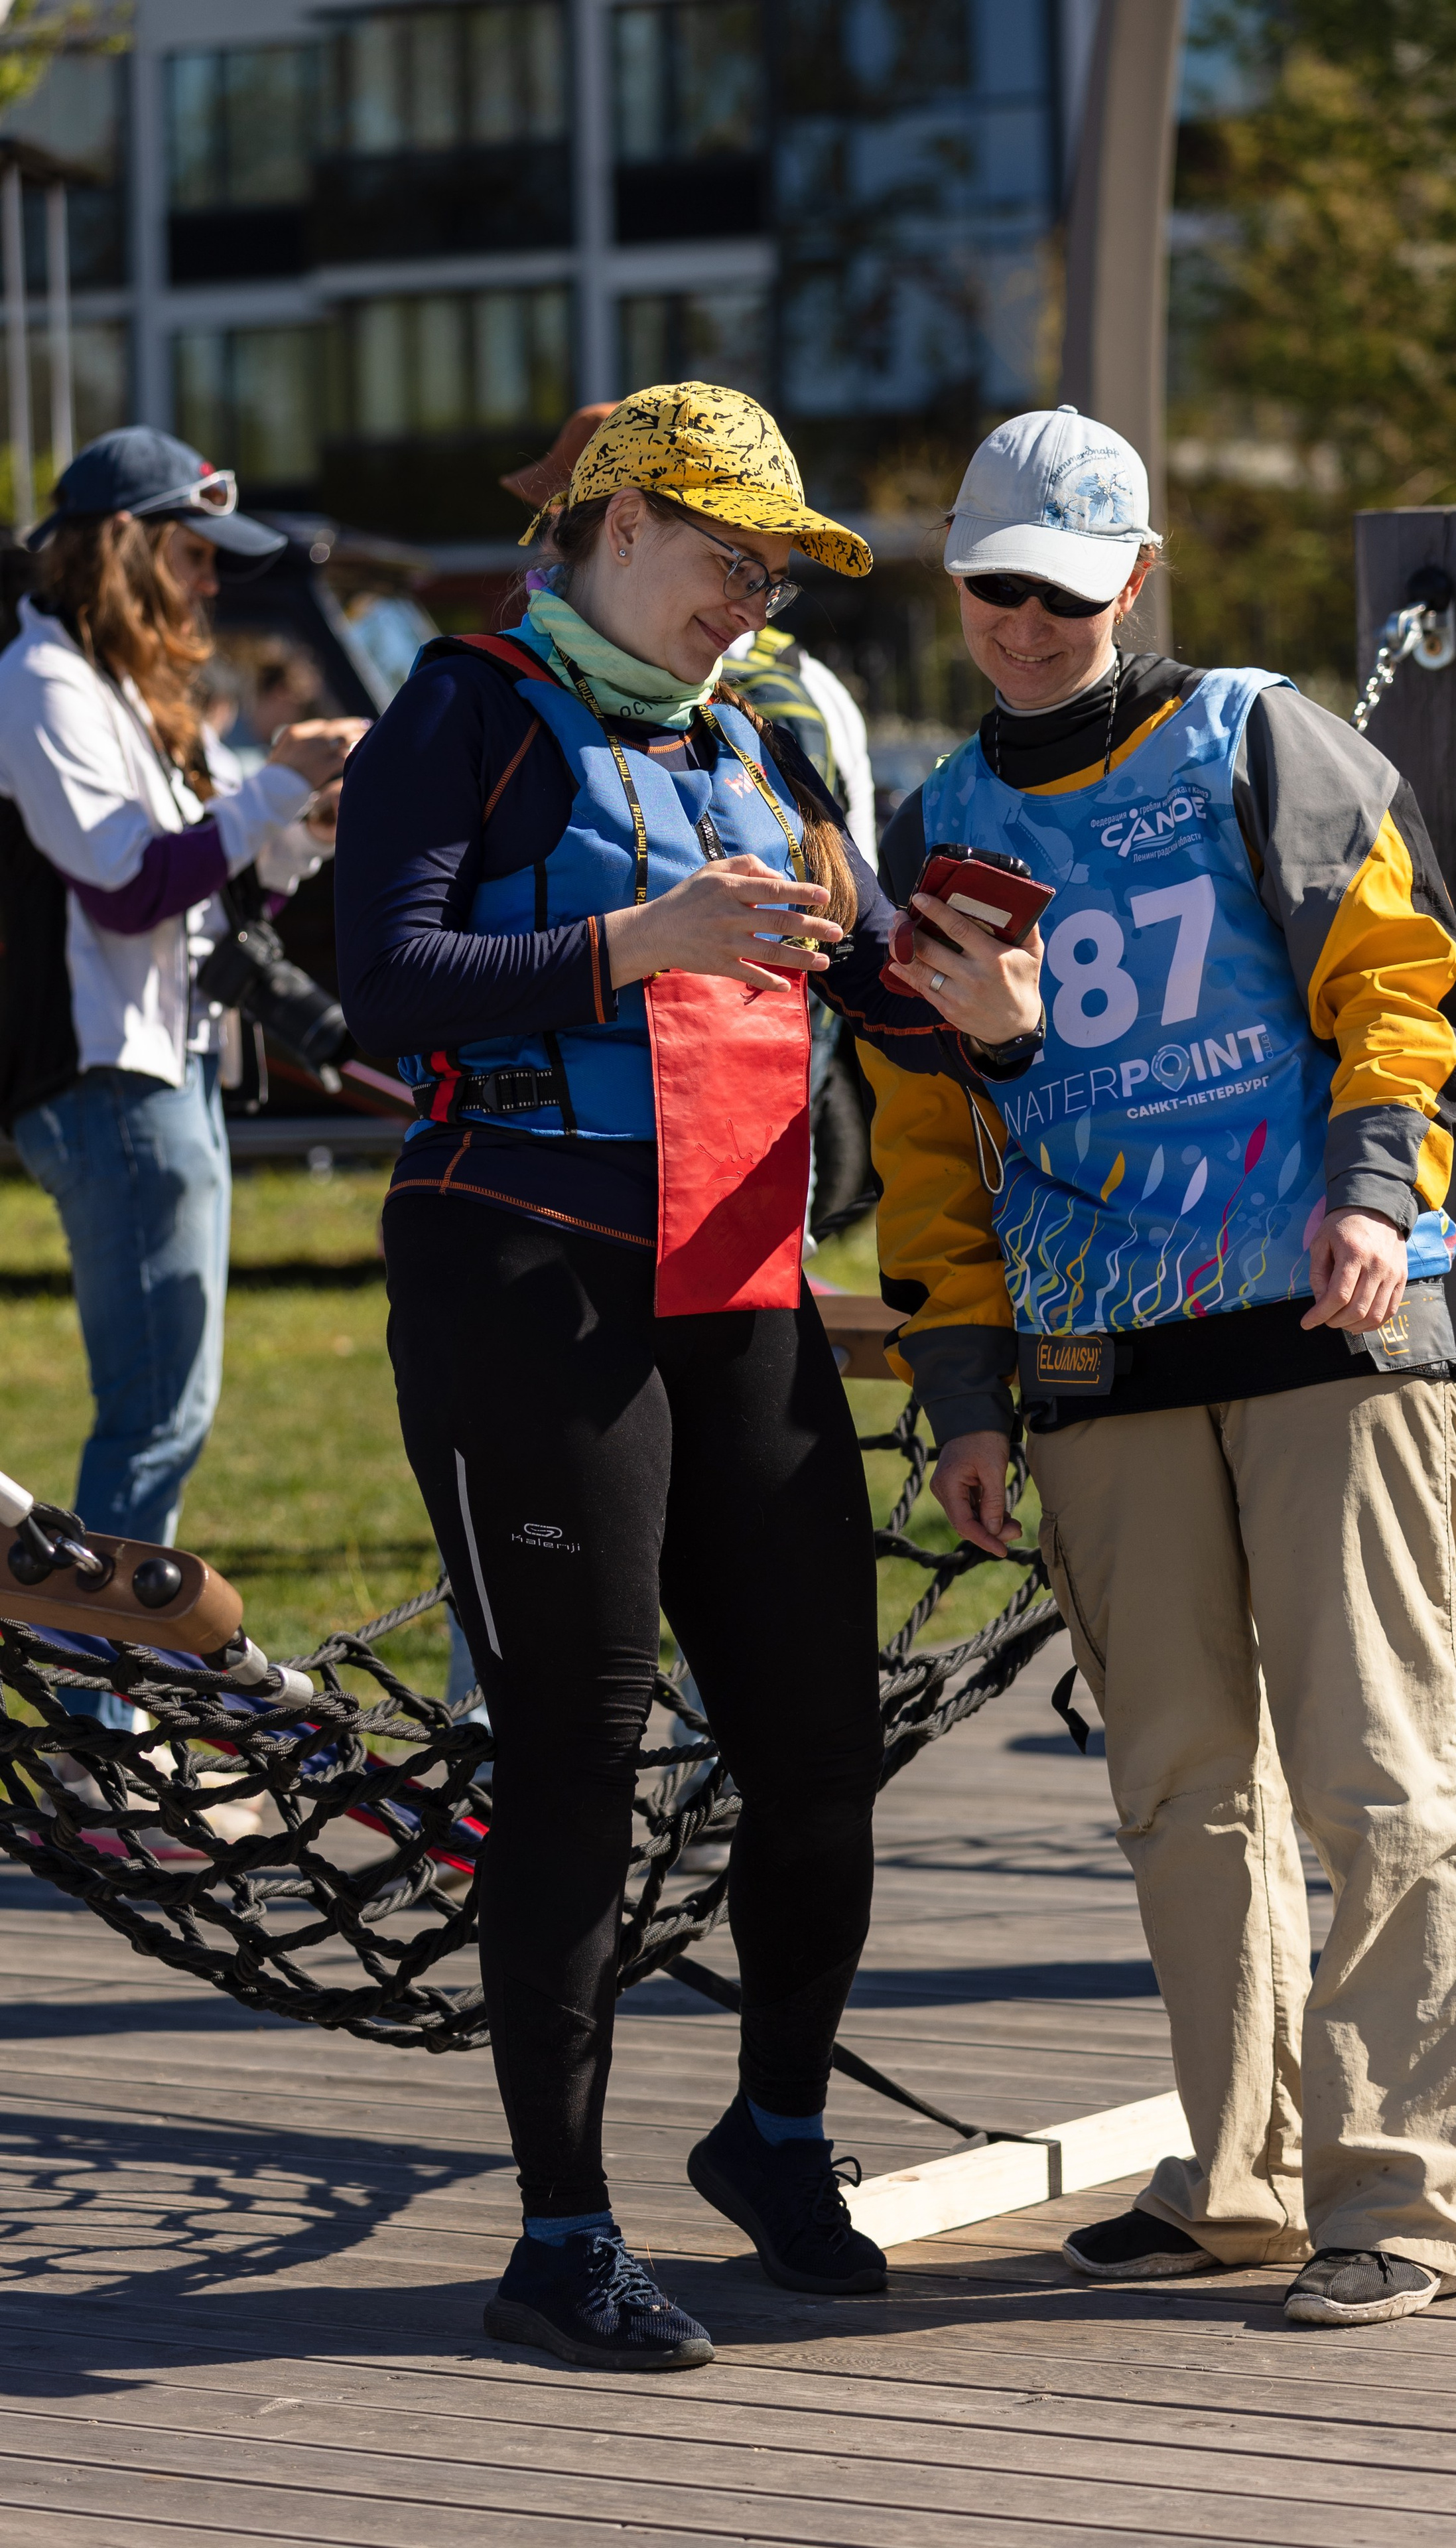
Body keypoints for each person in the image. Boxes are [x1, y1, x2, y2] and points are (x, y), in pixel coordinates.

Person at [334, 381, 1043, 2374]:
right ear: (620, 519)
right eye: (733, 556)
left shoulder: (750, 741)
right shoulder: (461, 708)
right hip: (526, 1272)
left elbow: (857, 975)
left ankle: (777, 2128)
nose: (752, 598)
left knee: (820, 1747)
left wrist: (959, 996)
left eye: (774, 572)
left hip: (741, 1285)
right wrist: (644, 935)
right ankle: (559, 2236)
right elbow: (373, 983)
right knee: (581, 1753)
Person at [869, 403, 1456, 2330]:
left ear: (1135, 579)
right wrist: (967, 1392)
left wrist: (1380, 1192)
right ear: (957, 581)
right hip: (1095, 1365)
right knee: (1179, 1787)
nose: (1026, 627)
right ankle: (1236, 2178)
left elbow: (1404, 988)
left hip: (1329, 1334)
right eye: (993, 590)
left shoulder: (1259, 735)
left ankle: (1401, 2193)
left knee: (1373, 1776)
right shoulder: (941, 823)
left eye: (1064, 594)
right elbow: (918, 1143)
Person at [0, 427, 360, 1752]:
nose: (211, 586)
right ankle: (95, 1715)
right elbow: (131, 883)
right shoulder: (41, 680)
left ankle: (96, 1700)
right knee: (155, 1414)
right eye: (197, 556)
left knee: (163, 1413)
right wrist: (278, 781)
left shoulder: (110, 686)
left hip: (155, 1076)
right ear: (132, 548)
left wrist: (299, 823)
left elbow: (219, 908)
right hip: (111, 1083)